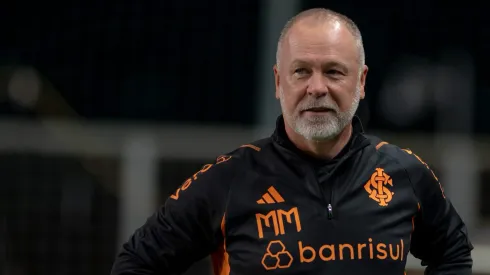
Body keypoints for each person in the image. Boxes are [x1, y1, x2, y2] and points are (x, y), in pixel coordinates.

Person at [110, 8, 473, 275]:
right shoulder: (229, 180)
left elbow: (453, 251)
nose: (317, 87)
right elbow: (137, 263)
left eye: (333, 71)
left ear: (361, 82)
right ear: (278, 82)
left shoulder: (403, 173)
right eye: (301, 71)